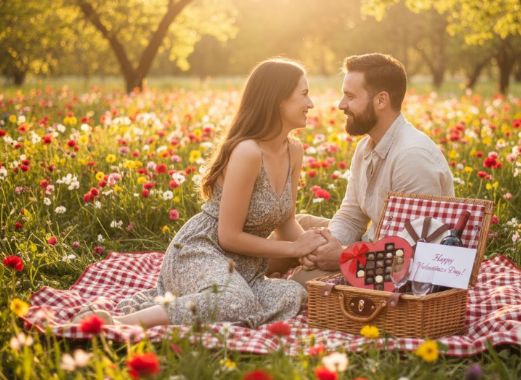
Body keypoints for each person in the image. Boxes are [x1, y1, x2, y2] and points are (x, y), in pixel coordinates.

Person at [72, 58, 326, 328]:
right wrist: (293, 248)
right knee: (234, 302)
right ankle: (120, 322)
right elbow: (228, 237)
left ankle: (220, 304)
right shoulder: (248, 152)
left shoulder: (294, 150)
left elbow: (285, 220)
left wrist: (316, 248)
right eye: (304, 94)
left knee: (292, 294)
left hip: (245, 270)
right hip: (200, 250)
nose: (310, 104)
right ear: (278, 99)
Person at [277, 53, 455, 285]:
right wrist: (328, 244)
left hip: (398, 268)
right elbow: (351, 216)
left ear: (381, 100)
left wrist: (341, 256)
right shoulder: (365, 146)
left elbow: (411, 256)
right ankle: (240, 280)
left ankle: (274, 290)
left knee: (303, 281)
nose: (341, 105)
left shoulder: (412, 157)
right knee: (293, 231)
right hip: (371, 244)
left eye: (350, 97)